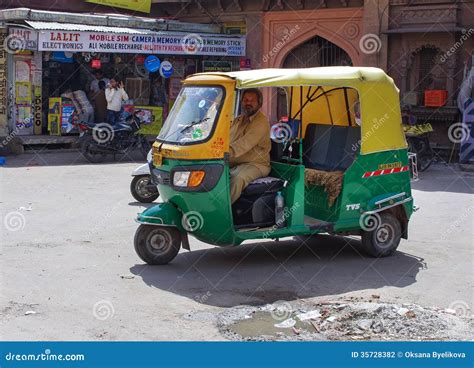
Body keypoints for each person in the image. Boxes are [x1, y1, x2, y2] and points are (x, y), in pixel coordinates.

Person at [229, 88, 271, 204]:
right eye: (246, 100)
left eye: (252, 100)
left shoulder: (261, 122)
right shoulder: (238, 120)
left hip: (255, 164)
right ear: (241, 102)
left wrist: (223, 153)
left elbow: (243, 144)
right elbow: (226, 138)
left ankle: (222, 212)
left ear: (259, 103)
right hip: (234, 162)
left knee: (237, 178)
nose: (248, 103)